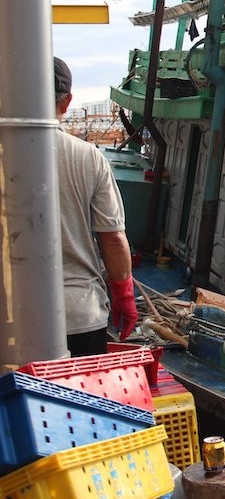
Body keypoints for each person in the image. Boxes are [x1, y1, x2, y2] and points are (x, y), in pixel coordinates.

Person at [53, 57, 137, 356]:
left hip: (11, 318)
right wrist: (124, 296)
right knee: (75, 403)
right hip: (78, 315)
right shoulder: (89, 158)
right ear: (67, 103)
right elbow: (112, 237)